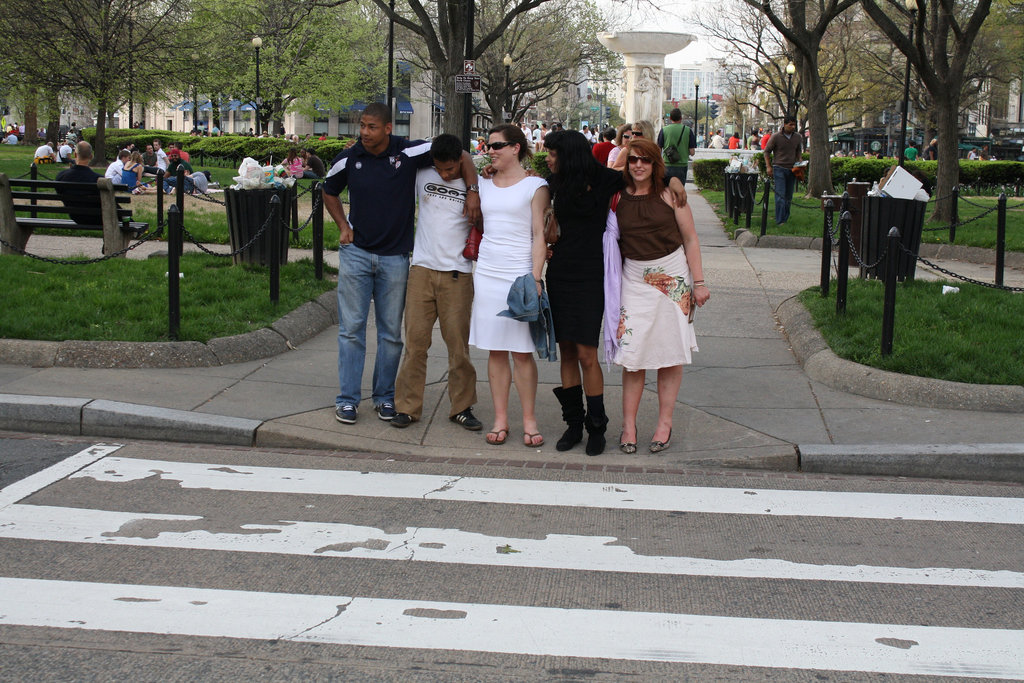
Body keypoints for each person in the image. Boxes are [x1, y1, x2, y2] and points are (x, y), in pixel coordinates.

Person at [323, 102, 481, 426]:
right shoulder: (350, 158)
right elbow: (328, 190)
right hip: (360, 255)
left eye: (371, 127)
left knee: (392, 334)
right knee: (352, 331)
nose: (364, 133)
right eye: (362, 126)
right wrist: (343, 226)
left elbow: (458, 152)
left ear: (387, 129)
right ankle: (349, 400)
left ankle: (385, 399)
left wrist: (474, 191)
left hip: (397, 258)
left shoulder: (410, 154)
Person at [609, 137, 709, 454]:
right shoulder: (616, 197)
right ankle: (628, 426)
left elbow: (691, 239)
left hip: (672, 276)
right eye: (633, 159)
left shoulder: (670, 194)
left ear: (655, 165)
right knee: (633, 357)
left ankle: (664, 424)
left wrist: (700, 281)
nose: (639, 165)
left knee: (669, 355)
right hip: (633, 279)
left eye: (646, 160)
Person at [390, 134, 482, 432]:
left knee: (458, 347)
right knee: (415, 343)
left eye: (451, 169)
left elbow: (468, 157)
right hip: (422, 270)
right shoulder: (421, 172)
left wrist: (472, 190)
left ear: (460, 161)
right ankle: (407, 407)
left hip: (458, 273)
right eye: (441, 169)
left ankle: (462, 407)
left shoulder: (475, 180)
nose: (445, 174)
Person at [469, 123, 550, 448]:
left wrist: (536, 276)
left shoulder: (536, 185)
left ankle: (529, 420)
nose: (491, 150)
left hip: (519, 273)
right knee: (496, 349)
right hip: (487, 271)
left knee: (522, 352)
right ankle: (500, 418)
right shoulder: (483, 182)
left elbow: (539, 234)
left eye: (497, 145)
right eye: (489, 145)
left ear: (516, 147)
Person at [763, 116, 803, 225]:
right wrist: (768, 166)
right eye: (790, 124)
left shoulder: (798, 137)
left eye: (794, 125)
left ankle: (785, 217)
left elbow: (798, 150)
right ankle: (780, 220)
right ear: (784, 125)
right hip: (779, 168)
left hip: (792, 169)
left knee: (788, 195)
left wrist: (800, 160)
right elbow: (767, 152)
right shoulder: (776, 137)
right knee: (780, 195)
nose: (793, 127)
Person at [56, 141, 102, 224]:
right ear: (91, 156)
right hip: (96, 217)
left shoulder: (61, 176)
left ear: (75, 155)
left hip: (75, 216)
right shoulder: (98, 179)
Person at [657, 108, 696, 185]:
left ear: (670, 118)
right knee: (679, 191)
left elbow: (658, 150)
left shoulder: (664, 130)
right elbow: (692, 152)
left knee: (667, 190)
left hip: (667, 165)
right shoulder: (688, 130)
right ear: (681, 118)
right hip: (682, 166)